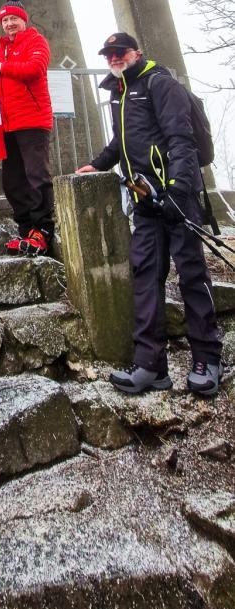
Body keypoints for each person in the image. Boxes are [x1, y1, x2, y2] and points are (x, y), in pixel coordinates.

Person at [76, 31, 224, 397]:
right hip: (144, 199)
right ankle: (151, 365)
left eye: (120, 51)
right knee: (145, 276)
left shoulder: (159, 83)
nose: (114, 57)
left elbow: (181, 139)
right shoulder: (119, 93)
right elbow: (121, 142)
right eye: (108, 53)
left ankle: (207, 357)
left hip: (177, 197)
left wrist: (178, 189)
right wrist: (96, 165)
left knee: (191, 273)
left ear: (136, 52)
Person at [0, 0, 54, 257]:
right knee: (12, 181)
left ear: (23, 19)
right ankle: (27, 229)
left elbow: (34, 68)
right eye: (5, 20)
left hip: (32, 120)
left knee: (36, 176)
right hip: (7, 124)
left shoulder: (36, 41)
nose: (9, 23)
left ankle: (44, 229)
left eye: (14, 18)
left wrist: (1, 67)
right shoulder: (0, 49)